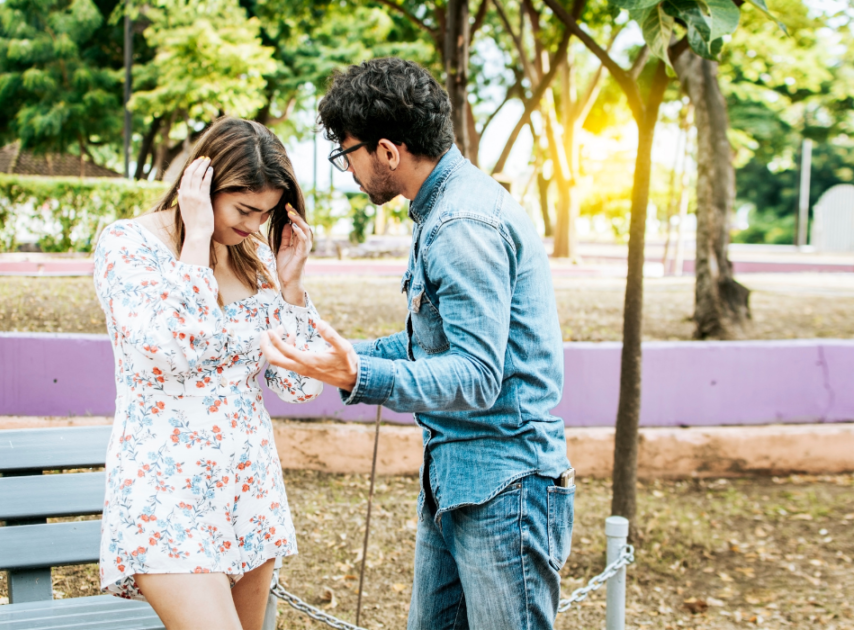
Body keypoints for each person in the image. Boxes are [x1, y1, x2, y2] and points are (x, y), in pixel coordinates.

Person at [261, 58, 575, 629]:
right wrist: (341, 357)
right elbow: (428, 346)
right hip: (459, 480)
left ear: (387, 151)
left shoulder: (461, 224)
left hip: (505, 489)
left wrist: (359, 376)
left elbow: (477, 376)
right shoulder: (441, 209)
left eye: (346, 152)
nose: (346, 169)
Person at [93, 117, 324, 630]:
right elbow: (174, 349)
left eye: (266, 213)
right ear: (202, 186)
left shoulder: (256, 258)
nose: (254, 225)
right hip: (167, 490)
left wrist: (290, 288)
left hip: (248, 489)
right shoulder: (128, 247)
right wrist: (197, 238)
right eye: (244, 209)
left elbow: (300, 384)